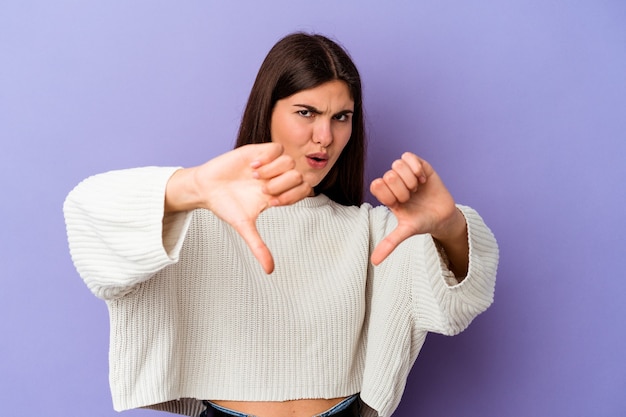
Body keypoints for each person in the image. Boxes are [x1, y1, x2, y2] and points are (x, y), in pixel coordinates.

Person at [63, 32, 498, 417]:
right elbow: (87, 215)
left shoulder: (370, 231)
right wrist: (191, 186)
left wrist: (448, 226)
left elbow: (457, 304)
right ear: (267, 110)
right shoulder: (194, 220)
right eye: (306, 112)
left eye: (341, 117)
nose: (325, 137)